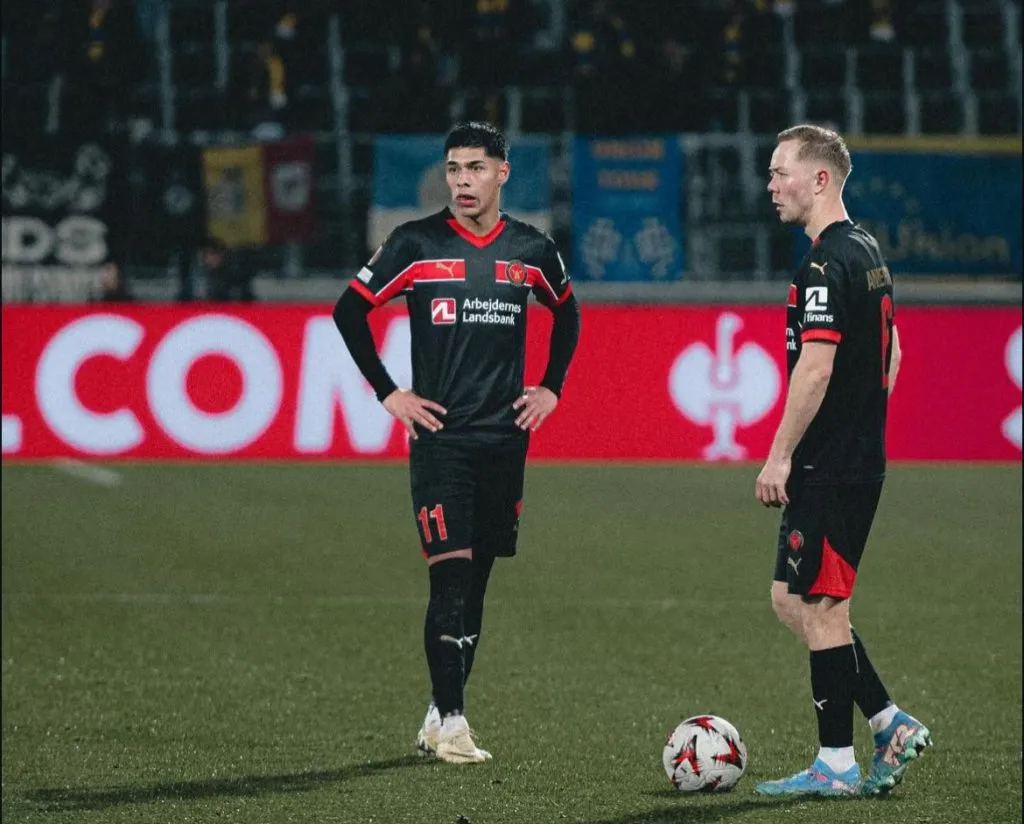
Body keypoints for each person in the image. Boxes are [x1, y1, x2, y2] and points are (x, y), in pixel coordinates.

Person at [332, 121, 581, 764]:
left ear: (503, 173)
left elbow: (569, 315)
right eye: (452, 169)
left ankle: (439, 711)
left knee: (477, 586)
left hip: (505, 440)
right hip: (441, 441)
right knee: (449, 579)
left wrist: (550, 387)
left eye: (475, 168)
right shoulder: (415, 244)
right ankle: (454, 721)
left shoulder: (532, 250)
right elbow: (349, 310)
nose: (462, 181)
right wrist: (391, 393)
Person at [754, 124, 930, 797]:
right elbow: (894, 353)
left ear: (820, 179)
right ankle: (887, 720)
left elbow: (817, 369)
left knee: (824, 608)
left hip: (831, 465)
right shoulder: (867, 252)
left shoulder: (826, 263)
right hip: (849, 458)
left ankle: (836, 763)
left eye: (781, 173)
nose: (771, 186)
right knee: (789, 598)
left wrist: (781, 456)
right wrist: (867, 417)